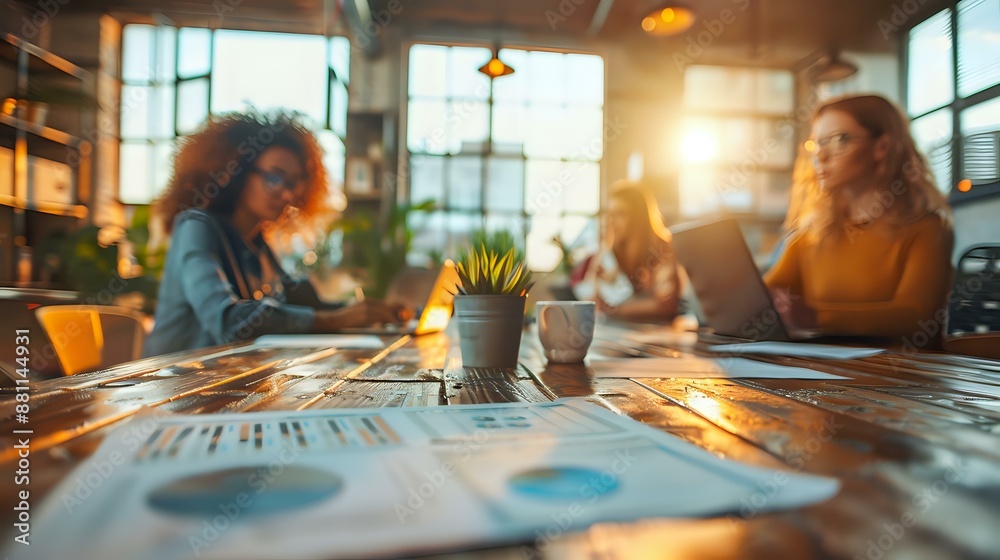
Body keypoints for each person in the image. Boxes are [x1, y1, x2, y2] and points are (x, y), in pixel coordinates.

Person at [143, 111, 400, 357]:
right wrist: (337, 318)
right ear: (235, 172)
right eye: (275, 178)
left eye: (293, 184)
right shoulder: (196, 228)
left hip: (223, 387)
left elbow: (306, 305)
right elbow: (227, 321)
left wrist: (371, 312)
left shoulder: (258, 244)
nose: (288, 196)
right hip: (173, 388)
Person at [764, 94, 954, 339]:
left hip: (899, 373)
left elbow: (916, 317)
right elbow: (765, 296)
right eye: (818, 143)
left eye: (840, 139)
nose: (821, 156)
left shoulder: (927, 229)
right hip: (820, 372)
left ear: (882, 147)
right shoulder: (812, 236)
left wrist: (815, 317)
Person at [571, 180, 681, 322]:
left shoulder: (662, 250)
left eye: (620, 214)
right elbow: (592, 300)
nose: (611, 221)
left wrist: (615, 309)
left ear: (639, 218)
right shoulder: (609, 252)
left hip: (660, 333)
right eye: (609, 214)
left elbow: (664, 305)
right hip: (619, 333)